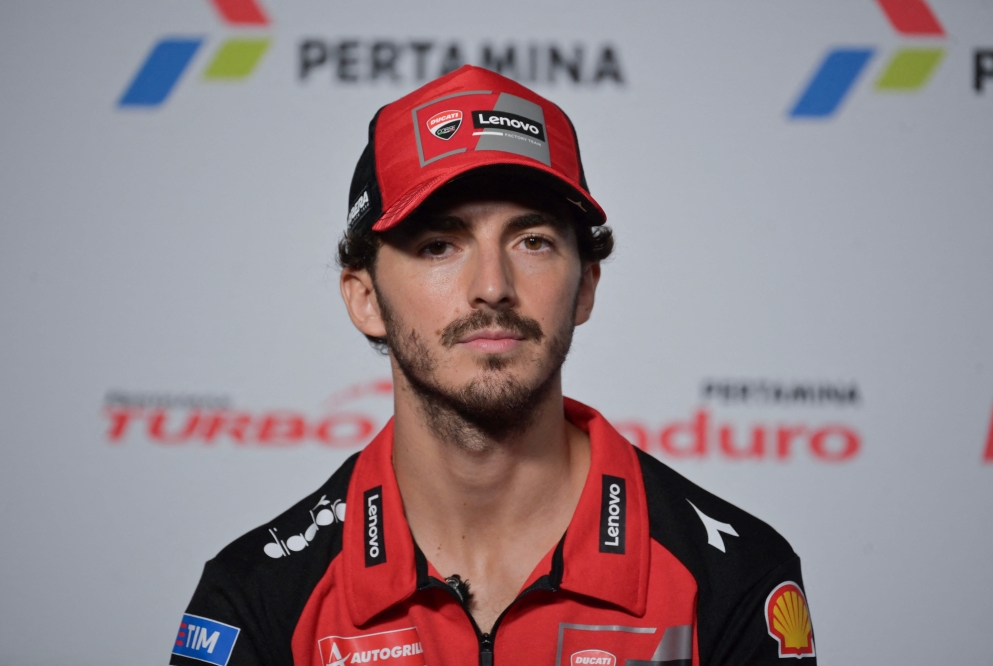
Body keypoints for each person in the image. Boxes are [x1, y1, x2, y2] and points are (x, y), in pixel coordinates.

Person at [170, 65, 817, 666]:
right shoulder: (257, 596)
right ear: (366, 298)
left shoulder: (734, 576)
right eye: (439, 244)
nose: (492, 286)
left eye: (532, 241)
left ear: (586, 286)